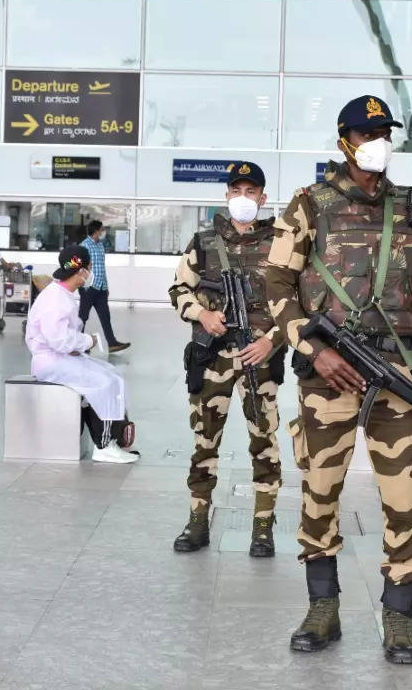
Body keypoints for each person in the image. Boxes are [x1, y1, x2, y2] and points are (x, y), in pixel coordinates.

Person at [265, 95, 412, 665]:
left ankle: (399, 618)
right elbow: (276, 284)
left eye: (384, 131)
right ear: (344, 140)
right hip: (330, 374)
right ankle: (322, 607)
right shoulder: (310, 205)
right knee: (320, 489)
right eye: (367, 131)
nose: (378, 140)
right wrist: (312, 348)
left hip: (399, 373)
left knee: (403, 497)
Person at [168, 161, 284, 557]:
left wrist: (271, 340)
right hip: (214, 356)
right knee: (204, 443)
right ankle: (197, 523)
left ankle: (263, 529)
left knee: (265, 446)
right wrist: (202, 314)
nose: (243, 199)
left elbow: (299, 303)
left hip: (260, 360)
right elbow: (179, 289)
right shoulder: (203, 242)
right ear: (226, 196)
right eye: (236, 191)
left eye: (251, 192)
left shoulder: (281, 242)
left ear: (263, 198)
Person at [27, 245, 138, 464]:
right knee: (104, 382)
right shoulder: (55, 299)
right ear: (81, 271)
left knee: (112, 373)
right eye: (89, 267)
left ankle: (111, 437)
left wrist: (79, 344)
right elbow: (58, 339)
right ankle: (104, 445)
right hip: (50, 361)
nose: (91, 272)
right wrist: (89, 340)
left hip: (60, 357)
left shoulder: (62, 293)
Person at [78, 221, 130, 353]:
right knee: (82, 317)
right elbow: (76, 265)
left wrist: (106, 287)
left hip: (101, 288)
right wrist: (82, 283)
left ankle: (112, 344)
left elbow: (102, 268)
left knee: (105, 317)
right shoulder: (84, 245)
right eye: (101, 230)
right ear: (95, 231)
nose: (103, 232)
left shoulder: (100, 246)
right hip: (88, 288)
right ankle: (79, 344)